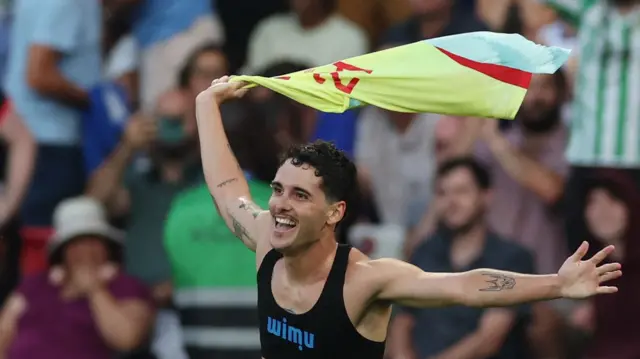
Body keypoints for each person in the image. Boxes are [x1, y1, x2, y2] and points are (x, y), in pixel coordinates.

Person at [194, 76, 622, 359]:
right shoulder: (267, 239)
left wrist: (558, 285)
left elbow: (464, 286)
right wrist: (206, 103)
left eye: (300, 195)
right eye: (277, 189)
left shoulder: (364, 279)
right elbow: (227, 188)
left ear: (334, 213)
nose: (280, 205)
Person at [0, 196, 154, 359]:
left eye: (92, 240)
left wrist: (95, 290)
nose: (85, 250)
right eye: (76, 242)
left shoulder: (126, 286)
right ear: (62, 250)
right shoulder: (34, 285)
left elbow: (127, 339)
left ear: (107, 246)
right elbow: (3, 334)